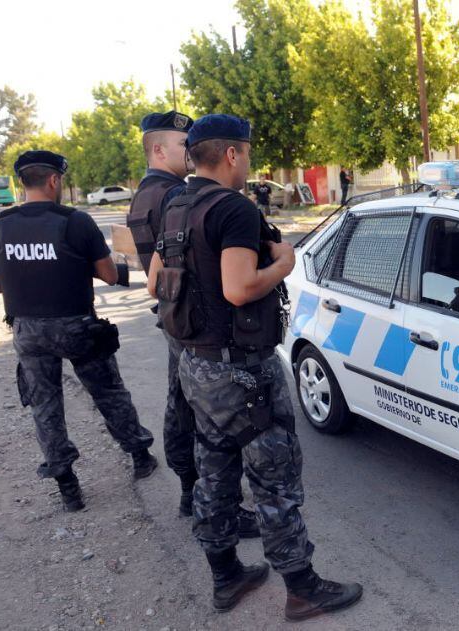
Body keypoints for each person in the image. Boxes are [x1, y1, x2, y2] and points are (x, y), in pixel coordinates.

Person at [147, 114, 362, 618]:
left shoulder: (177, 204)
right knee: (275, 479)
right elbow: (239, 288)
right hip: (241, 372)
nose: (248, 162)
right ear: (231, 155)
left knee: (215, 472)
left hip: (196, 368)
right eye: (246, 152)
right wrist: (283, 264)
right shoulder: (232, 209)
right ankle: (303, 588)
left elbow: (156, 282)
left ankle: (226, 577)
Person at [0, 150, 158, 512]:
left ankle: (68, 487)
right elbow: (110, 275)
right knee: (108, 392)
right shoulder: (75, 222)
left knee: (45, 407)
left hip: (28, 331)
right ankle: (140, 456)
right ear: (54, 181)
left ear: (23, 183)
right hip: (76, 325)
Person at [126, 111, 260, 536]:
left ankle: (194, 492)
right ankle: (208, 499)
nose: (188, 154)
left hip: (175, 315)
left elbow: (155, 278)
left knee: (183, 404)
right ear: (158, 149)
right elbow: (225, 281)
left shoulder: (146, 195)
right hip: (200, 322)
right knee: (209, 421)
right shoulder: (176, 198)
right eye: (180, 145)